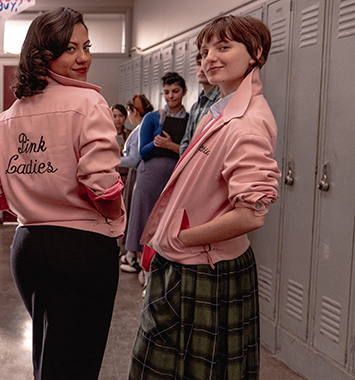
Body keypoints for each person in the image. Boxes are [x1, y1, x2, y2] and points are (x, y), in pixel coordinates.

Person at [128, 15, 280, 379]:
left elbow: (252, 214)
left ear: (256, 53)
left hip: (201, 266)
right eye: (204, 50)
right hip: (188, 260)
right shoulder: (220, 111)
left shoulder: (245, 123)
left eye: (223, 47)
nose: (209, 57)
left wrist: (182, 238)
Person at [0, 7, 125, 380]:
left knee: (49, 358)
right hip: (81, 249)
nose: (83, 58)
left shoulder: (8, 116)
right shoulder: (89, 103)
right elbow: (102, 185)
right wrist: (116, 217)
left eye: (87, 46)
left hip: (28, 246)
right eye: (69, 49)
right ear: (44, 55)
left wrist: (32, 198)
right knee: (76, 363)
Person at [124, 73, 187, 279]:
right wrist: (158, 143)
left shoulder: (190, 119)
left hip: (174, 175)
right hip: (149, 175)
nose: (171, 96)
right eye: (166, 92)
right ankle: (144, 268)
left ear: (184, 92)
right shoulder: (152, 118)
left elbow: (191, 151)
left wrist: (170, 145)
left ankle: (163, 269)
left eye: (175, 91)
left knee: (167, 223)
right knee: (145, 220)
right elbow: (143, 152)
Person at [118, 95, 152, 268]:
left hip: (138, 175)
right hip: (136, 175)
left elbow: (133, 159)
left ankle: (135, 257)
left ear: (133, 111)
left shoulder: (140, 130)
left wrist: (113, 160)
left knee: (135, 214)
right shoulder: (141, 127)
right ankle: (131, 253)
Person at [179, 52, 221, 155]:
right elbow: (186, 140)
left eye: (207, 63)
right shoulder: (195, 107)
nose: (202, 69)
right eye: (199, 64)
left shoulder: (221, 102)